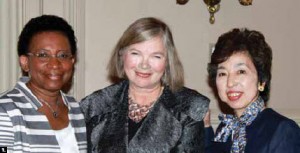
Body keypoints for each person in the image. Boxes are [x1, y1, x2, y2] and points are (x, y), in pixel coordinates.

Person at [80, 17, 210, 153]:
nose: (144, 64)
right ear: (122, 55)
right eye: (136, 53)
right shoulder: (95, 106)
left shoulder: (189, 107)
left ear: (167, 62)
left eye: (156, 56)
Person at [0, 15, 87, 152]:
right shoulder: (5, 110)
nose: (54, 64)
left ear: (72, 61)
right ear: (25, 62)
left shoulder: (76, 109)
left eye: (63, 55)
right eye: (43, 55)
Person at [206, 28, 300, 153]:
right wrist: (206, 126)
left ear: (261, 81)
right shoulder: (226, 129)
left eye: (241, 71)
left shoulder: (283, 131)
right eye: (222, 73)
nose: (230, 82)